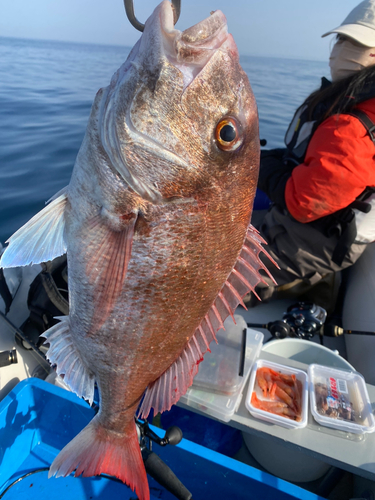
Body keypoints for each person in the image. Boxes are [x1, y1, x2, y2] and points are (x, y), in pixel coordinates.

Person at [253, 0, 375, 311]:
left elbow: (303, 202)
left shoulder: (352, 128)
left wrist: (261, 165)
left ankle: (312, 283)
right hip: (301, 223)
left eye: (357, 43)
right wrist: (266, 160)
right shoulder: (347, 104)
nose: (342, 49)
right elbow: (307, 158)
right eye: (342, 39)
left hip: (310, 241)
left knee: (204, 289)